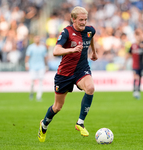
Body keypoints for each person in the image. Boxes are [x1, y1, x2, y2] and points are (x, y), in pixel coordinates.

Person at [38, 6, 98, 142]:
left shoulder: (90, 30)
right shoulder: (66, 32)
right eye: (81, 20)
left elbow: (91, 37)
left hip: (81, 69)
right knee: (57, 107)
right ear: (73, 19)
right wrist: (72, 50)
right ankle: (44, 124)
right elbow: (56, 51)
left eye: (85, 19)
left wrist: (93, 51)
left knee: (90, 88)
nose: (83, 22)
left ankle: (80, 122)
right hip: (64, 73)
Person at [124, 29, 143, 99]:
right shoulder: (133, 45)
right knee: (135, 76)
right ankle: (135, 90)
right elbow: (128, 54)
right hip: (135, 64)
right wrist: (125, 62)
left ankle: (138, 90)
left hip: (142, 64)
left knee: (140, 77)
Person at [25, 36, 48, 101]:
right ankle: (31, 93)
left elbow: (45, 57)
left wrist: (46, 65)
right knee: (32, 82)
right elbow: (27, 56)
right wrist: (26, 64)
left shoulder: (43, 47)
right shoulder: (31, 47)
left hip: (41, 66)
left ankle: (39, 96)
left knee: (41, 82)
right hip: (33, 67)